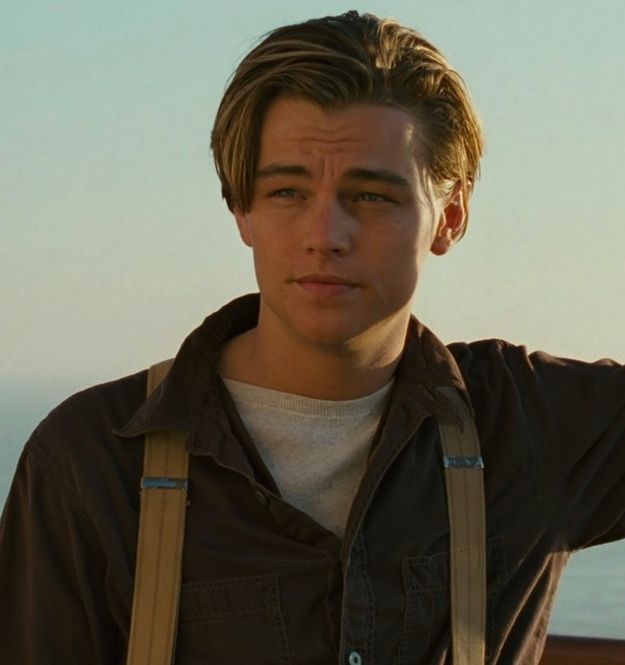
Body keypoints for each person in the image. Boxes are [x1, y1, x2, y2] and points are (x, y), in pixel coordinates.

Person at [1, 10, 624, 665]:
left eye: (373, 197)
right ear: (240, 207)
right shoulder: (91, 462)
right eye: (286, 191)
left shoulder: (528, 425)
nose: (324, 233)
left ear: (450, 216)